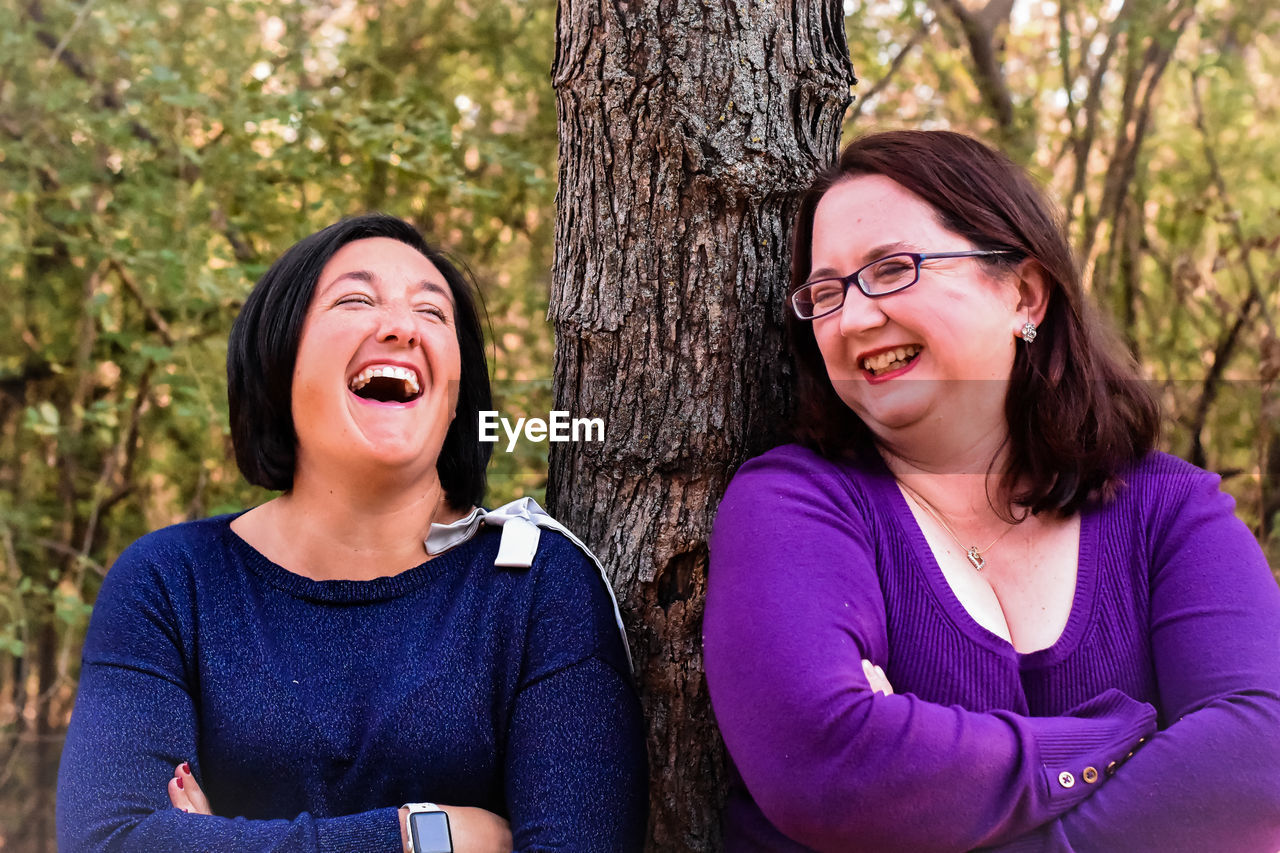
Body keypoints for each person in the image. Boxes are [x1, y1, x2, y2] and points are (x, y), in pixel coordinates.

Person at [703, 131, 1280, 852]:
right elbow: (824, 766)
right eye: (825, 292)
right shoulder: (795, 505)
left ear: (1024, 294)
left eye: (892, 269)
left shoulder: (1168, 509)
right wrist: (1121, 739)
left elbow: (1262, 761)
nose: (851, 319)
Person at [56, 214, 647, 852]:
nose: (401, 326)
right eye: (356, 299)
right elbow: (109, 842)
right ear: (278, 360)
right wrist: (424, 838)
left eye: (433, 312)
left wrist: (214, 840)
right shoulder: (169, 583)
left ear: (455, 398)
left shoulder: (538, 584)